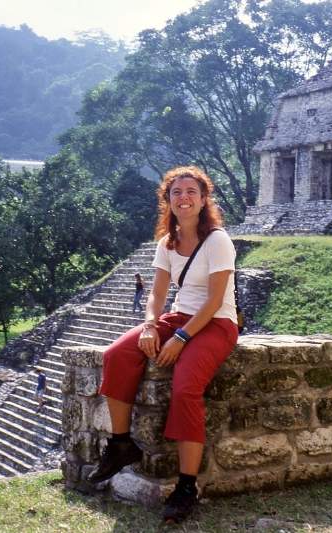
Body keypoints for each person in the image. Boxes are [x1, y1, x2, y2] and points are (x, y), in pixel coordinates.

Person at [87, 166, 239, 524]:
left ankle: (186, 486)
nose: (184, 198)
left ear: (204, 199)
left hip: (216, 322)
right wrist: (151, 326)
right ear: (167, 200)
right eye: (176, 192)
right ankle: (121, 444)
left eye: (191, 192)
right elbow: (156, 294)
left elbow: (215, 300)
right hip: (179, 316)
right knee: (117, 354)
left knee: (186, 387)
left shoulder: (218, 240)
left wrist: (181, 339)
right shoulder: (167, 242)